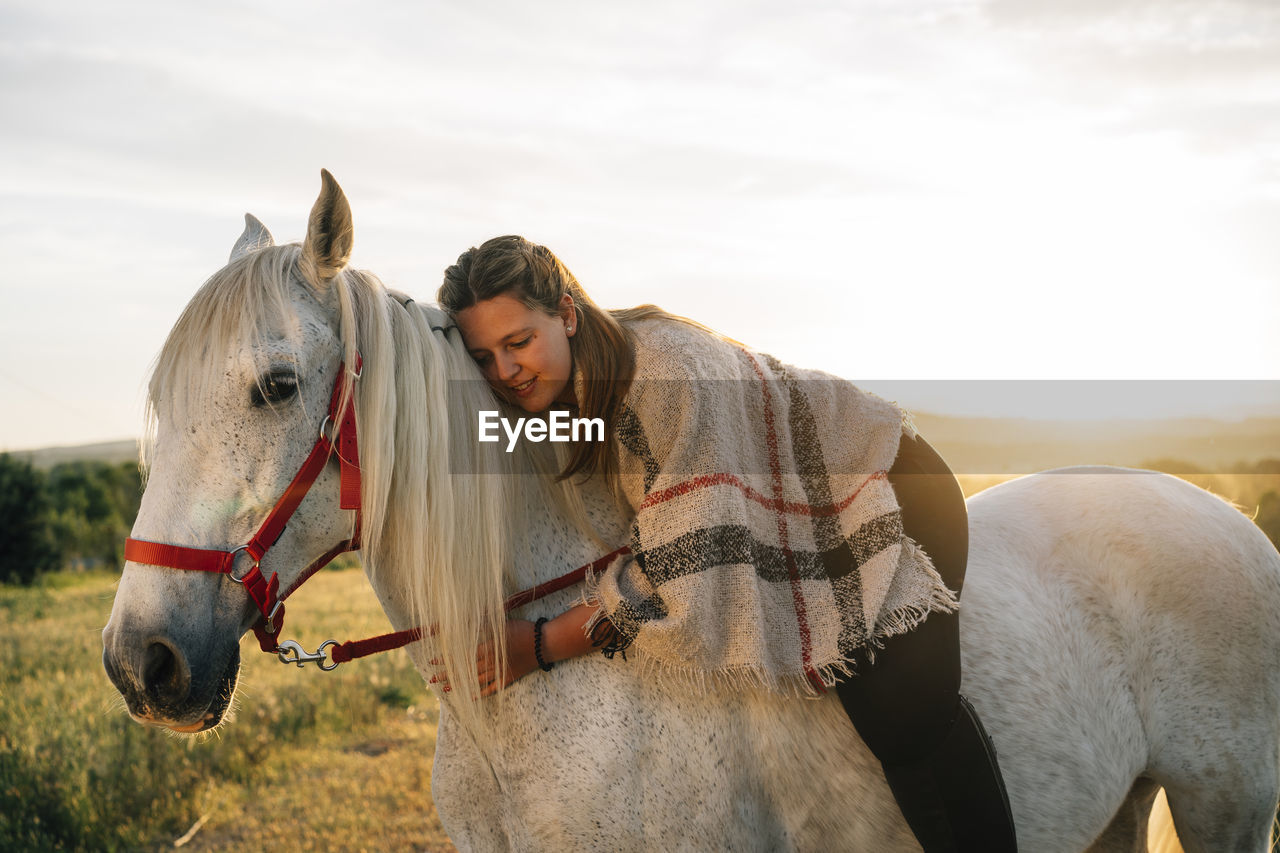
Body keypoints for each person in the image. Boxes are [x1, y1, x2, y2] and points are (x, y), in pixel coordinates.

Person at [437, 235, 1018, 852]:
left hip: (876, 489)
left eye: (518, 341)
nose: (504, 371)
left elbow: (688, 570)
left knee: (904, 716)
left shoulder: (665, 377)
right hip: (781, 510)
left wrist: (542, 643)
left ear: (567, 314)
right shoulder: (557, 391)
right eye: (483, 356)